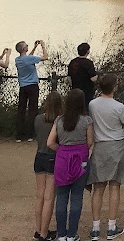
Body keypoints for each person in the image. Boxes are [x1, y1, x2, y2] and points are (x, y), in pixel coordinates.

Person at [88, 73, 124, 240]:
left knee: (98, 188)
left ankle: (95, 227)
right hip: (116, 146)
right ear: (114, 87)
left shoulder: (92, 104)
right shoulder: (119, 107)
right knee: (115, 185)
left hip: (100, 146)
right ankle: (112, 226)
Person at [47, 89, 94, 241]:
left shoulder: (59, 120)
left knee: (61, 197)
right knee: (76, 197)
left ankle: (61, 234)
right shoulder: (86, 121)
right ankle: (72, 234)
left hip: (62, 160)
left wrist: (62, 150)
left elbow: (50, 142)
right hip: (80, 160)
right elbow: (90, 142)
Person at [34, 92, 63, 241]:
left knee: (40, 195)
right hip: (52, 156)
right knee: (49, 197)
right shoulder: (59, 121)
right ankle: (44, 234)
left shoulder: (38, 119)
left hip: (39, 156)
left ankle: (39, 229)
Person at [16, 39, 48, 142]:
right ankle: (31, 134)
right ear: (24, 48)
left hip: (23, 87)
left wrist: (34, 47)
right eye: (26, 45)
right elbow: (45, 57)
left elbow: (28, 57)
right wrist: (43, 46)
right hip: (32, 86)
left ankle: (19, 135)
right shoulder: (29, 58)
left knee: (21, 110)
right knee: (32, 109)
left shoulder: (18, 60)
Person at [67, 43, 98, 110]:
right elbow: (93, 78)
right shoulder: (89, 63)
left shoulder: (72, 62)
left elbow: (69, 78)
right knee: (86, 109)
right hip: (87, 92)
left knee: (75, 109)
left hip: (75, 90)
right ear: (87, 51)